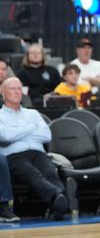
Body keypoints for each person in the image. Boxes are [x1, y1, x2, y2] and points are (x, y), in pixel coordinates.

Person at [0, 78, 71, 220]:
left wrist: (17, 132)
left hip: (38, 153)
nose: (17, 92)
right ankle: (59, 200)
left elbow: (46, 135)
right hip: (14, 156)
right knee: (34, 175)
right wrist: (31, 128)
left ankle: (58, 203)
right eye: (13, 89)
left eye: (19, 88)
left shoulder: (32, 113)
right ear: (3, 93)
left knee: (50, 173)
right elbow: (5, 136)